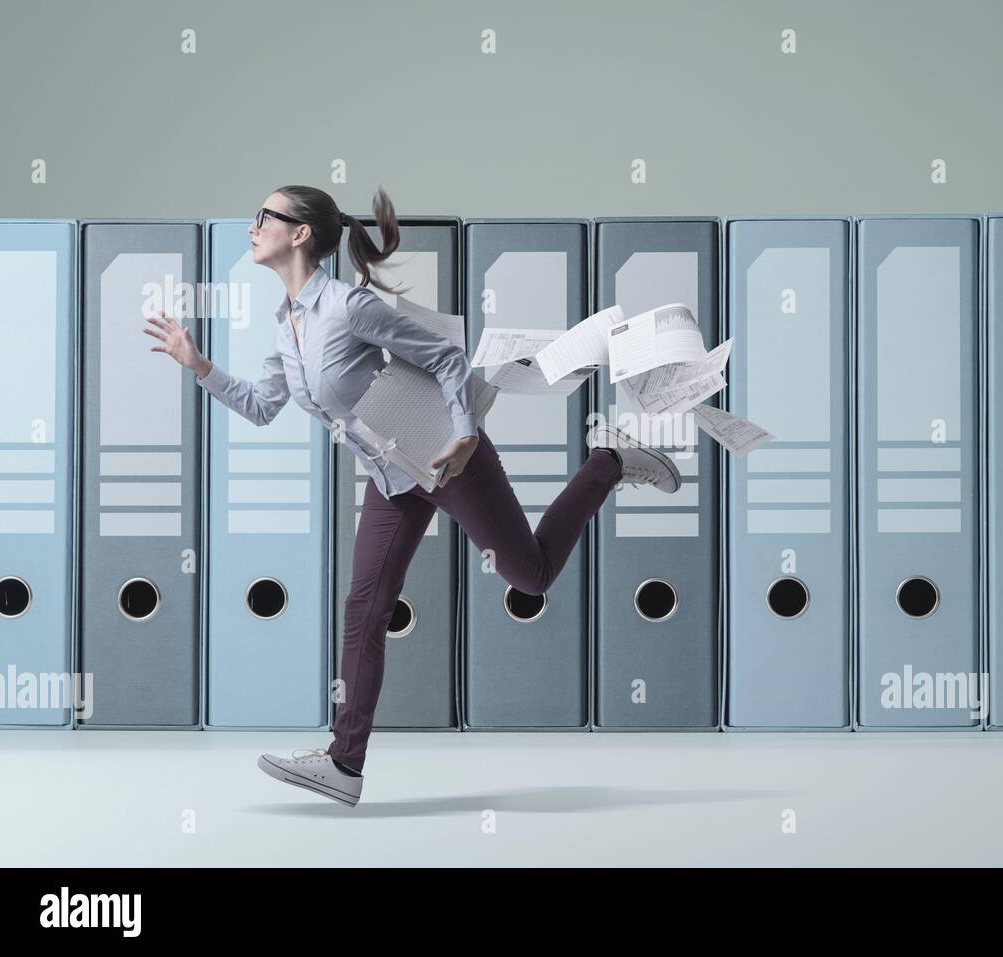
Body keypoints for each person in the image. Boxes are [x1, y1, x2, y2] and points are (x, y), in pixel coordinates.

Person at [144, 185, 681, 807]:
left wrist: (461, 436)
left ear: (299, 234)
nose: (252, 225)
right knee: (364, 611)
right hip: (393, 474)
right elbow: (264, 408)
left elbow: (449, 360)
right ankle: (344, 765)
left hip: (448, 459)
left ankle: (608, 462)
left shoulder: (350, 307)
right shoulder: (284, 324)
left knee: (530, 576)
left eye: (265, 215)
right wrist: (199, 365)